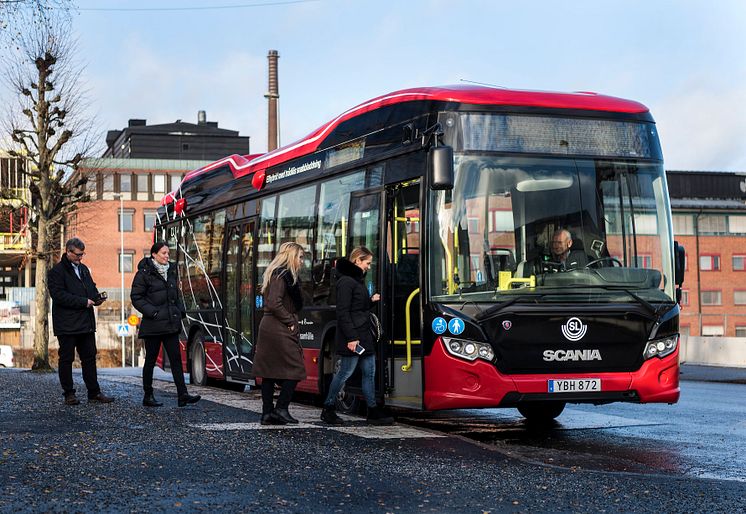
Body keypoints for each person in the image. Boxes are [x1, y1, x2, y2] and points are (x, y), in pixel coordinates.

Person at [321, 247, 393, 426]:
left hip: (363, 335)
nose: (369, 267)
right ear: (357, 261)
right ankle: (328, 407)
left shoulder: (356, 280)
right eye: (367, 263)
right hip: (353, 337)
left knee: (369, 373)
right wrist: (352, 338)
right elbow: (343, 313)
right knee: (345, 372)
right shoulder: (346, 282)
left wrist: (370, 301)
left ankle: (372, 410)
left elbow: (356, 309)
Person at [131, 242, 201, 408]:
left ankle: (182, 395)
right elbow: (136, 297)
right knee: (150, 360)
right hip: (153, 325)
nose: (167, 256)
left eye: (168, 253)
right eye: (163, 253)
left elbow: (175, 296)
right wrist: (153, 312)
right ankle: (148, 396)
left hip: (170, 323)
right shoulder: (144, 273)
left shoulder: (171, 271)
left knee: (176, 359)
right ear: (154, 254)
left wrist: (180, 311)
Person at [48, 238, 114, 406]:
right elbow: (59, 296)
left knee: (89, 358)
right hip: (67, 324)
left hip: (85, 323)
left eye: (82, 254)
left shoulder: (84, 269)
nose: (80, 258)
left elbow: (91, 288)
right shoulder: (56, 271)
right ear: (68, 252)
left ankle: (94, 392)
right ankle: (69, 394)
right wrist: (84, 302)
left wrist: (96, 298)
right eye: (78, 255)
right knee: (66, 359)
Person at [253, 242, 307, 425]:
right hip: (278, 326)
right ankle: (281, 408)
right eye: (300, 257)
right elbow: (275, 303)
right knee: (295, 368)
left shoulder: (278, 274)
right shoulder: (281, 275)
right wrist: (290, 321)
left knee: (269, 371)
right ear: (290, 256)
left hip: (272, 326)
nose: (302, 261)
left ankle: (268, 413)